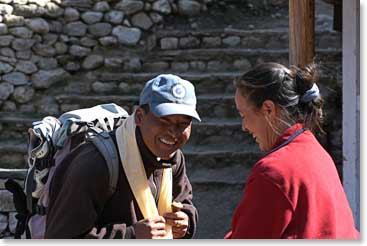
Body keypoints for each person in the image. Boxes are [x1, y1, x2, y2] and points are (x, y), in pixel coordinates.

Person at [45, 74, 200, 239]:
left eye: (183, 124)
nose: (173, 132)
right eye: (163, 120)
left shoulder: (173, 159)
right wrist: (130, 235)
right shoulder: (95, 163)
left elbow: (183, 201)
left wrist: (186, 221)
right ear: (139, 117)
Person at [225, 62, 360, 239]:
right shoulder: (314, 149)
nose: (244, 126)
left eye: (244, 116)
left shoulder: (273, 172)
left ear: (268, 109)